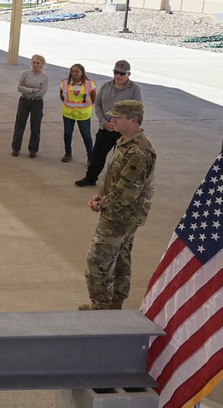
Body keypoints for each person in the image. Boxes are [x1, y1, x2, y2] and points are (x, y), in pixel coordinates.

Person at [81, 100, 156, 311]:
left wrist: (102, 203)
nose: (112, 120)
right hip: (119, 211)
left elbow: (128, 192)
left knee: (98, 260)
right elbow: (118, 180)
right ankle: (113, 306)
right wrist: (101, 195)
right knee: (120, 258)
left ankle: (101, 310)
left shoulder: (138, 151)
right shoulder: (125, 141)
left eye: (117, 117)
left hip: (121, 215)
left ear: (133, 120)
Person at [76, 60, 144, 187]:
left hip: (123, 132)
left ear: (129, 74)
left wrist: (127, 128)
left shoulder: (135, 90)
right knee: (97, 155)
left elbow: (137, 112)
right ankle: (90, 178)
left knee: (120, 159)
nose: (118, 76)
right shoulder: (106, 86)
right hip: (106, 128)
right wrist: (104, 122)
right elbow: (98, 105)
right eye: (116, 72)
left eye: (122, 74)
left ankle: (116, 184)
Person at [11, 54, 49, 158]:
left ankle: (33, 149)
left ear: (42, 65)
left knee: (35, 126)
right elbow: (19, 88)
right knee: (19, 125)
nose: (35, 65)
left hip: (37, 102)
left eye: (38, 63)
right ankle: (16, 148)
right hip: (24, 100)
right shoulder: (25, 73)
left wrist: (26, 88)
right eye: (34, 62)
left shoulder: (45, 78)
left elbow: (41, 92)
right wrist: (32, 90)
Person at [60, 63, 97, 163]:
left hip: (83, 114)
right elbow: (62, 96)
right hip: (68, 113)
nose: (74, 73)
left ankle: (90, 156)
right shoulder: (64, 83)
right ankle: (68, 153)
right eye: (72, 71)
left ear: (82, 72)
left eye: (77, 71)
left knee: (86, 135)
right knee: (67, 134)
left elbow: (93, 97)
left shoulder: (89, 84)